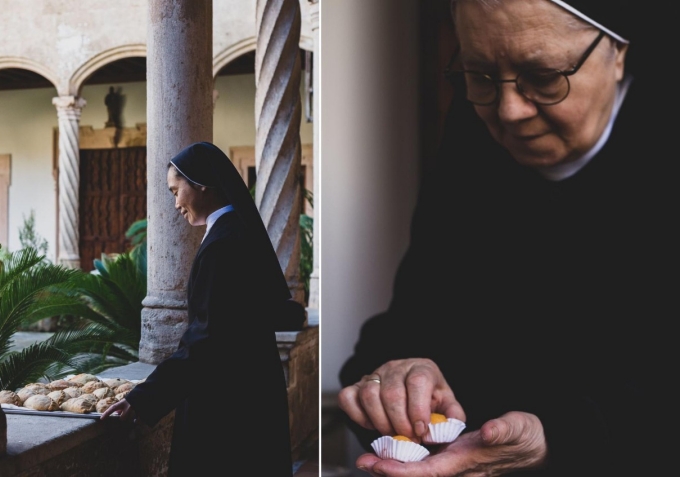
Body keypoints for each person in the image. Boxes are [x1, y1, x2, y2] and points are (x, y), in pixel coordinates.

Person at [337, 1, 674, 476]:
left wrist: (560, 436)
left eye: (544, 75)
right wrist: (392, 383)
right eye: (480, 75)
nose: (510, 111)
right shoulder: (472, 143)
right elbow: (402, 331)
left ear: (617, 51)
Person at [100, 141, 306, 476]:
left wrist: (144, 398)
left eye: (176, 190)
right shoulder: (237, 233)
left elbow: (207, 338)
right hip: (252, 389)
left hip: (227, 404)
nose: (176, 203)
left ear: (201, 184)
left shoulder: (222, 245)